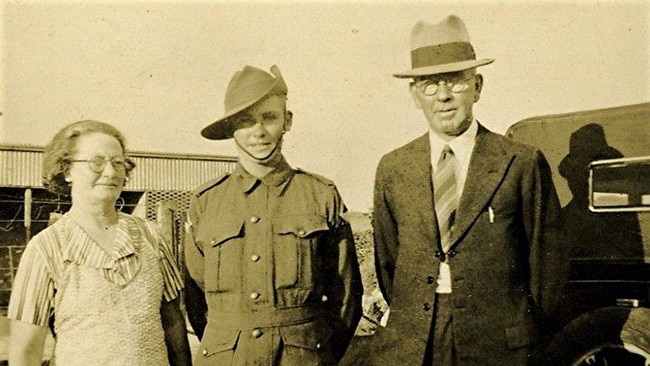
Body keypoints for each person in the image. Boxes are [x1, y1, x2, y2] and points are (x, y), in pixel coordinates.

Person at [370, 15, 566, 365]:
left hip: (500, 346)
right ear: (415, 95)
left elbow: (546, 266)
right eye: (429, 84)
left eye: (456, 82)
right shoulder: (393, 169)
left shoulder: (520, 161)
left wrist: (520, 331)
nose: (443, 96)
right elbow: (389, 265)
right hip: (417, 346)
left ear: (477, 86)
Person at [184, 64, 363, 365]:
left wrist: (314, 352)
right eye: (246, 120)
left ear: (287, 121)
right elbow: (196, 299)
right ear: (231, 129)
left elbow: (345, 296)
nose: (258, 131)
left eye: (269, 117)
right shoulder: (206, 202)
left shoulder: (320, 194)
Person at [8, 120, 191, 366]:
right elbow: (26, 351)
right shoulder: (46, 248)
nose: (110, 172)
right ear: (67, 170)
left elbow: (173, 322)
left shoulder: (151, 235)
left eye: (118, 163)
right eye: (97, 162)